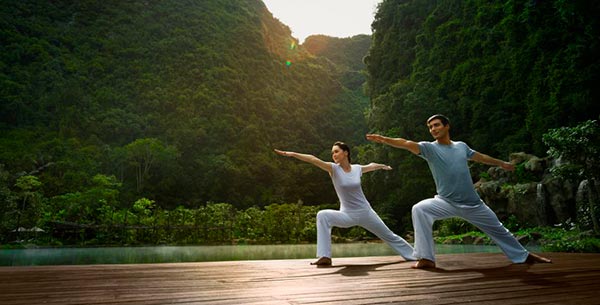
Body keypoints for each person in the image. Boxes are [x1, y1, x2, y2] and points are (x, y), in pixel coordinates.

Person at [366, 114, 552, 269]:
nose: (433, 129)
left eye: (436, 125)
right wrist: (384, 140)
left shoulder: (461, 147)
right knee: (420, 209)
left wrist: (501, 163)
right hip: (445, 202)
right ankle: (426, 258)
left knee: (499, 230)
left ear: (447, 126)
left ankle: (524, 256)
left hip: (473, 204)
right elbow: (406, 143)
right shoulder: (429, 149)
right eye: (430, 127)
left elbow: (480, 157)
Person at [274, 142, 416, 266]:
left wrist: (383, 166)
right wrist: (292, 154)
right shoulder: (333, 169)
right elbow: (313, 159)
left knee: (389, 235)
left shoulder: (357, 169)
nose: (333, 155)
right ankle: (325, 256)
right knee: (322, 215)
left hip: (366, 212)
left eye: (336, 151)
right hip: (347, 214)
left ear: (345, 152)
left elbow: (371, 166)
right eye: (332, 153)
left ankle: (415, 256)